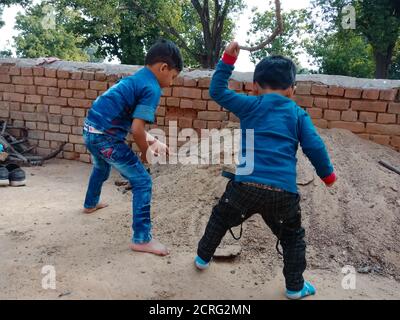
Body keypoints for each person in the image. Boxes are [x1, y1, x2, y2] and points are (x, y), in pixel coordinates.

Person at [195, 41, 337, 299]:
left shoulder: (250, 105)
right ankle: (295, 287)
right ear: (292, 90)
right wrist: (327, 175)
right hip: (283, 193)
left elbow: (216, 90)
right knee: (292, 238)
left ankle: (202, 258)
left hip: (245, 186)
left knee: (220, 218)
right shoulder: (297, 114)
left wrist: (228, 58)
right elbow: (314, 146)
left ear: (254, 87)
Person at [83, 39, 183, 256]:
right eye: (173, 76)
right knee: (142, 181)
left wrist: (154, 141)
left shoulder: (136, 80)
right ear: (163, 68)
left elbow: (128, 122)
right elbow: (137, 130)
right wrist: (146, 155)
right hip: (106, 139)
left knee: (101, 167)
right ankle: (142, 239)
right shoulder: (151, 88)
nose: (172, 82)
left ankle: (90, 203)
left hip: (90, 131)